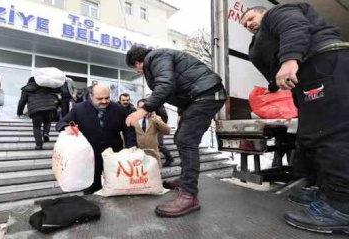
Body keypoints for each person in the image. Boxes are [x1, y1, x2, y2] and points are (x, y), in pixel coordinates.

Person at [240, 3, 349, 233]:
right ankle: (330, 193)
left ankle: (342, 207)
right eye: (244, 24)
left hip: (322, 64)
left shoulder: (277, 13)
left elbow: (295, 25)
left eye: (250, 17)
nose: (248, 23)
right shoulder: (266, 34)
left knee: (330, 136)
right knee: (312, 136)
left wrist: (290, 59)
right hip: (312, 73)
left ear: (263, 12)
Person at [125, 46, 227, 218]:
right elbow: (180, 88)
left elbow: (165, 85)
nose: (137, 71)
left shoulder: (156, 57)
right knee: (181, 138)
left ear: (137, 62)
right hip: (200, 97)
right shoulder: (159, 58)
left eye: (135, 68)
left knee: (186, 141)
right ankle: (185, 180)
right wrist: (183, 113)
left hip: (206, 95)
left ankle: (189, 195)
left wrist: (143, 110)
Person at [56, 84, 137, 195]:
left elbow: (129, 129)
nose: (104, 101)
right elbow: (61, 122)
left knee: (117, 186)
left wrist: (131, 146)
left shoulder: (120, 109)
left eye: (107, 98)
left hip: (114, 156)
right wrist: (66, 127)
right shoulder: (79, 109)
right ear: (91, 96)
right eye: (99, 99)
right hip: (90, 158)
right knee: (91, 189)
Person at [18, 77, 60, 150]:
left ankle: (39, 145)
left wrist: (19, 112)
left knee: (37, 127)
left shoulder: (26, 89)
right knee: (47, 122)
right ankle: (46, 133)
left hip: (35, 110)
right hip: (48, 108)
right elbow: (57, 91)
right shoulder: (46, 86)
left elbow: (22, 101)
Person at [132, 99, 171, 167]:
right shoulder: (132, 119)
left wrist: (155, 118)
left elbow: (167, 131)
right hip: (137, 157)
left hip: (152, 157)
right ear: (137, 108)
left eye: (145, 107)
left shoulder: (155, 118)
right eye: (140, 108)